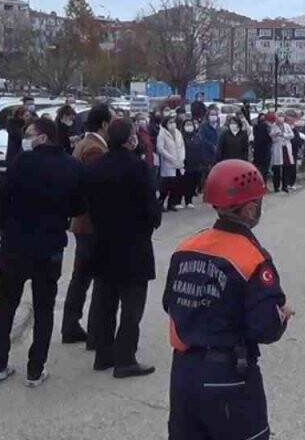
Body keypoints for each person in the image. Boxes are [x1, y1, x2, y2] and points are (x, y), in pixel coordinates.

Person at [163, 159, 292, 440]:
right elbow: (265, 327)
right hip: (228, 376)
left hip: (184, 372)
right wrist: (281, 316)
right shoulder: (252, 258)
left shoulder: (186, 247)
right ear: (250, 209)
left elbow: (169, 303)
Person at [0, 117, 86, 387]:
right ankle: (35, 369)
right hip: (50, 247)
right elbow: (80, 206)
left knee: (5, 305)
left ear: (43, 137)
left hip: (14, 245)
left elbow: (0, 200)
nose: (26, 139)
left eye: (30, 134)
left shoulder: (21, 162)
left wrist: (2, 227)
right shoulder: (71, 166)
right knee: (44, 308)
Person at [87, 119, 161, 377]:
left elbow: (88, 202)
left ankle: (103, 354)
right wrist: (150, 224)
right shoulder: (139, 167)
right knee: (132, 306)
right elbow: (151, 208)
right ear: (130, 140)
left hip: (103, 242)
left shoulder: (98, 166)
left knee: (105, 302)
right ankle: (125, 358)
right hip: (133, 245)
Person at [61, 103, 113, 347]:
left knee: (81, 276)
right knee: (86, 277)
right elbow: (96, 189)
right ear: (104, 124)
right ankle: (75, 326)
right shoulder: (94, 149)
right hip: (90, 223)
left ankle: (71, 324)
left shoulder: (86, 143)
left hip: (84, 221)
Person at [157, 115, 186, 211]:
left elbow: (182, 146)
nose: (172, 124)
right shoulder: (162, 133)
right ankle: (160, 203)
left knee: (176, 185)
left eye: (173, 122)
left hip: (178, 162)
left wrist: (182, 158)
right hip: (168, 163)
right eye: (170, 122)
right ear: (165, 124)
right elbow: (160, 148)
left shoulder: (178, 133)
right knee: (166, 186)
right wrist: (171, 158)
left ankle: (171, 204)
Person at [182, 119, 209, 208]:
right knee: (188, 183)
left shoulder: (197, 136)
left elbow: (201, 149)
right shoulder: (182, 137)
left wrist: (203, 161)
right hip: (186, 163)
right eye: (187, 125)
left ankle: (191, 197)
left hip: (197, 163)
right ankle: (187, 200)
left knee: (195, 182)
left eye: (190, 124)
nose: (189, 127)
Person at [268, 114, 292, 192]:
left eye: (282, 118)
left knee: (286, 168)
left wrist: (284, 135)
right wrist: (276, 135)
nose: (280, 120)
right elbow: (272, 137)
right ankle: (276, 187)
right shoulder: (274, 126)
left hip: (285, 148)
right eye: (279, 118)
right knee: (277, 169)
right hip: (277, 148)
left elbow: (292, 135)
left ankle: (285, 186)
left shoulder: (287, 126)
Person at [6, 101, 32, 166]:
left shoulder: (28, 124)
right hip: (15, 155)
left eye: (29, 116)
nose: (28, 118)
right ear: (20, 116)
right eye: (26, 116)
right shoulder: (13, 124)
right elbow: (19, 136)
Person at [252, 112, 273, 184]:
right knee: (264, 170)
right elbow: (270, 138)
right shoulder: (266, 127)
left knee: (259, 169)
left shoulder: (256, 126)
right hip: (264, 151)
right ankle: (263, 184)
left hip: (259, 151)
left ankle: (259, 183)